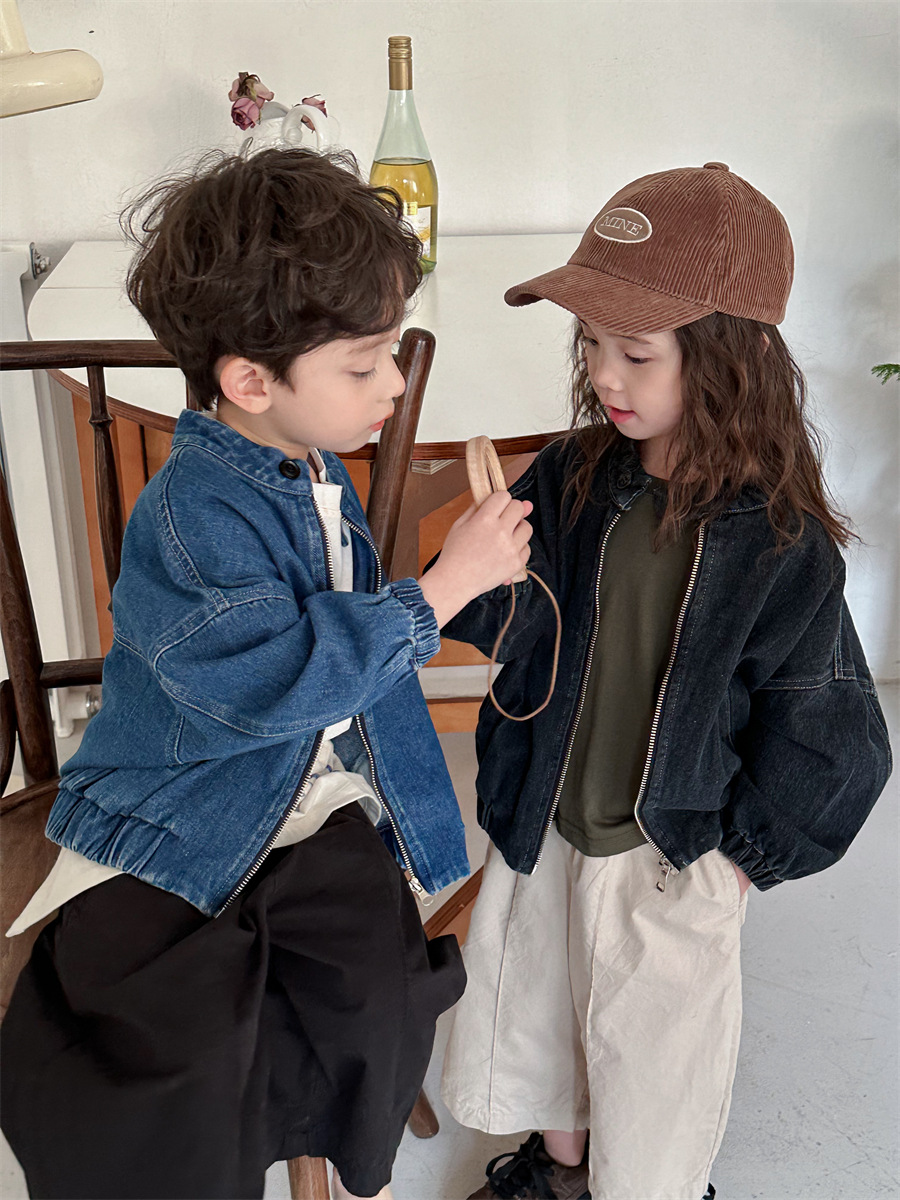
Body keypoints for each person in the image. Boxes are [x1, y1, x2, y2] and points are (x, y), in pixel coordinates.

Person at [0, 148, 533, 1200]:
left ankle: (333, 1133)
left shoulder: (307, 467)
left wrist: (461, 587)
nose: (394, 385)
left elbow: (334, 668)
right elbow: (273, 683)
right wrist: (437, 592)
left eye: (390, 356)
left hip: (308, 785)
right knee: (174, 1042)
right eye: (365, 365)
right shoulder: (194, 513)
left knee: (374, 990)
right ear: (251, 381)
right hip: (191, 792)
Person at [438, 162, 892, 1200]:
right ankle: (558, 1170)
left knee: (655, 1062)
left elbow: (837, 739)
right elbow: (519, 632)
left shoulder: (780, 543)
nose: (606, 374)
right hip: (547, 822)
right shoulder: (571, 476)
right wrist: (479, 570)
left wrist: (737, 864)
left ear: (734, 360)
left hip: (668, 855)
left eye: (636, 351)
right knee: (546, 1017)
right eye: (590, 343)